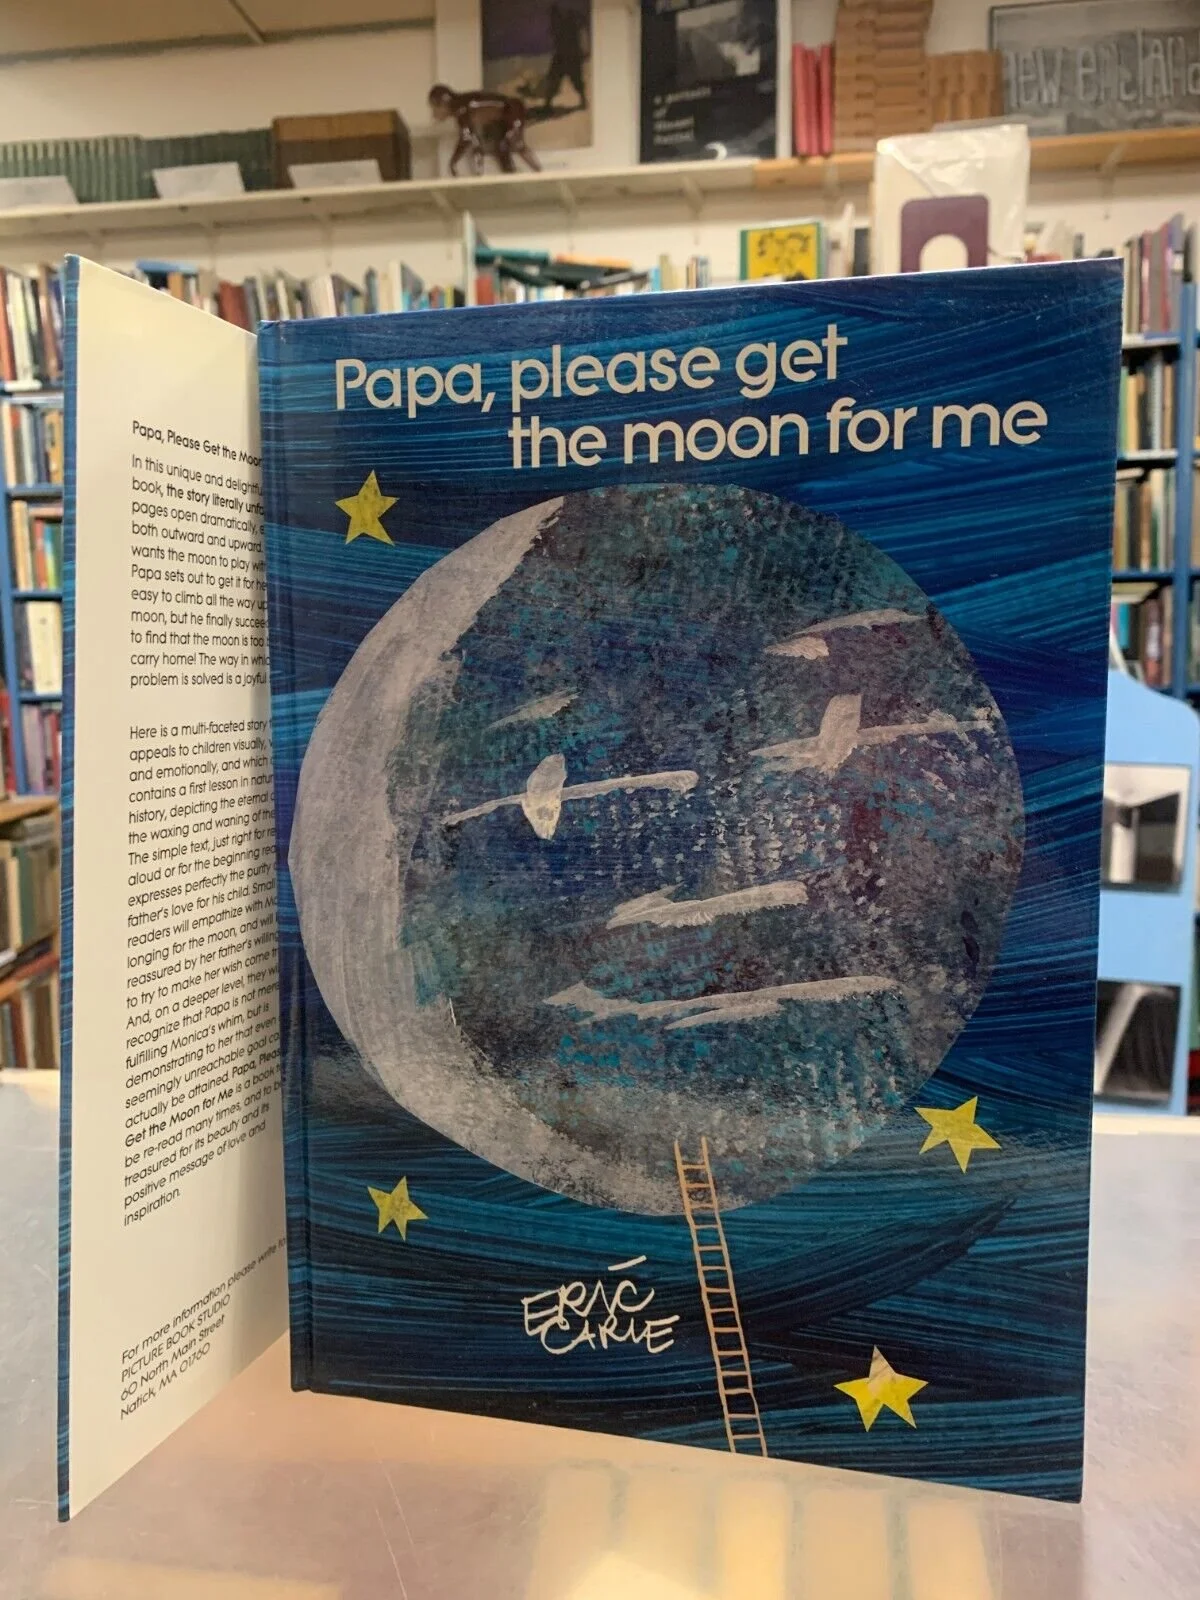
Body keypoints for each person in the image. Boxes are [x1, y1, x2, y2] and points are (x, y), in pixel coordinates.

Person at [543, 3, 587, 111]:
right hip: (563, 56)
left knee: (575, 79)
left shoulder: (569, 24)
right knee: (554, 79)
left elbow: (578, 35)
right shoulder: (560, 25)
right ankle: (547, 103)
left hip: (571, 56)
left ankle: (583, 100)